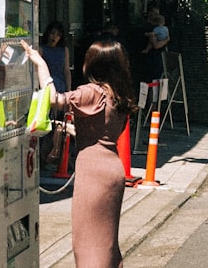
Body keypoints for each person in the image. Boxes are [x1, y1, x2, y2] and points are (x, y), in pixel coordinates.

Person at [22, 37, 136, 267]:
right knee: (106, 242)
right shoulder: (118, 93)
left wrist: (40, 65)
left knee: (88, 242)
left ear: (93, 64)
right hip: (112, 168)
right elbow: (105, 132)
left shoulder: (93, 92)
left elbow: (53, 99)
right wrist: (74, 130)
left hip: (93, 172)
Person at [39, 21, 72, 167]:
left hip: (60, 87)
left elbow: (66, 70)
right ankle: (44, 155)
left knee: (59, 122)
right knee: (47, 122)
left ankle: (55, 154)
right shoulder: (41, 49)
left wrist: (69, 90)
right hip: (47, 88)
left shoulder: (64, 50)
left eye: (58, 35)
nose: (54, 37)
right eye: (52, 33)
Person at [141, 9, 170, 82]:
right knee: (154, 79)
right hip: (153, 58)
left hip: (157, 57)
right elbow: (156, 45)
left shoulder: (158, 29)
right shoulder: (152, 29)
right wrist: (166, 40)